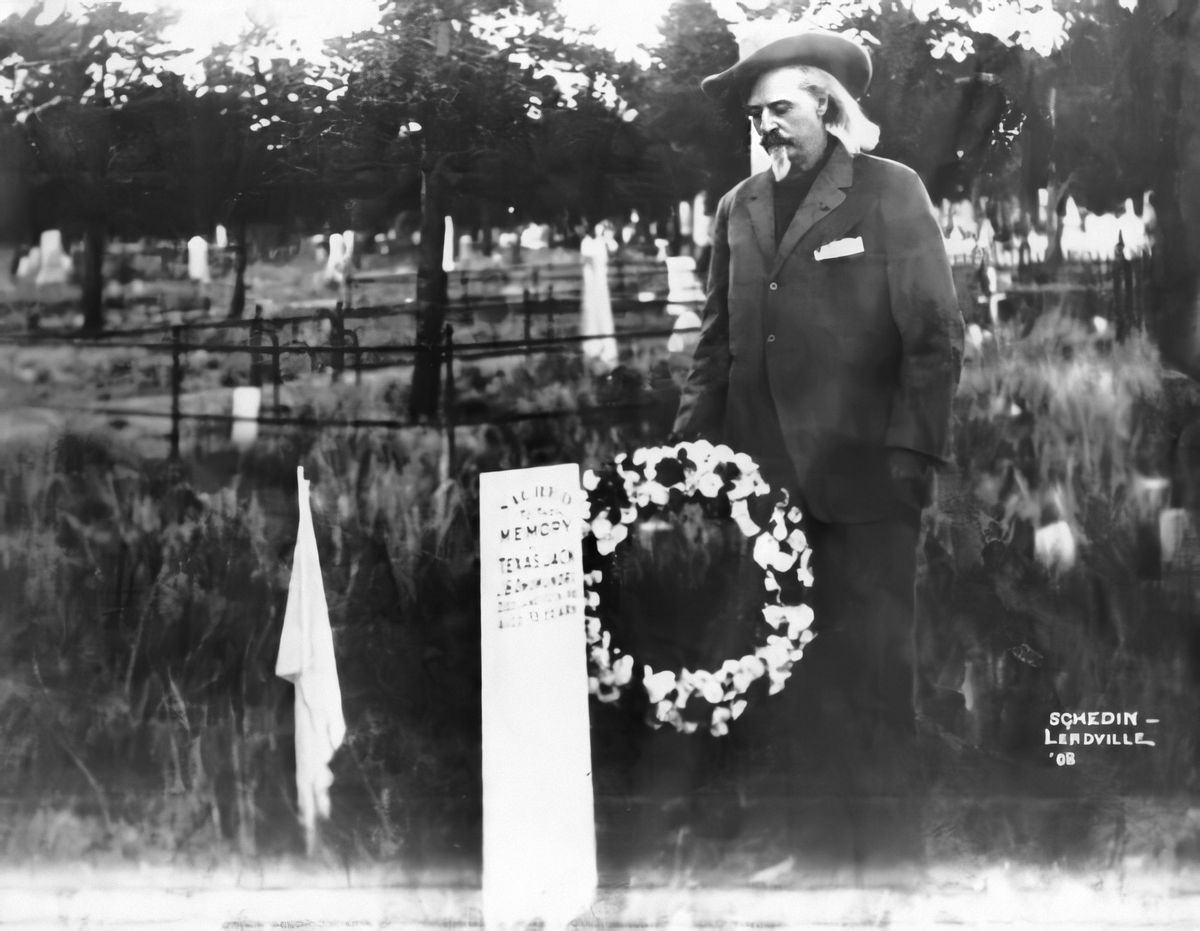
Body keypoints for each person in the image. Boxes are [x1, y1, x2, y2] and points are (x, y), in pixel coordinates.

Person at [673, 29, 965, 872]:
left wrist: (912, 453)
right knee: (790, 676)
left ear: (830, 108)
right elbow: (717, 344)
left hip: (868, 486)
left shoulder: (888, 192)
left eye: (782, 108)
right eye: (756, 113)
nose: (767, 125)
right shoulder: (738, 207)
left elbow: (934, 336)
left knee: (871, 677)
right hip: (769, 495)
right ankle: (816, 856)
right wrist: (689, 457)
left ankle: (891, 869)